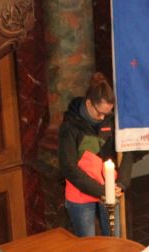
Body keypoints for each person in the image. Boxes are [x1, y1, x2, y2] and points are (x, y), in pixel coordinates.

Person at [58, 72, 130, 237]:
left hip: (111, 188)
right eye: (99, 113)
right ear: (89, 103)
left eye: (107, 113)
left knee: (114, 242)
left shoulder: (111, 120)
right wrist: (101, 191)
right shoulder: (70, 126)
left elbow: (127, 149)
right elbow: (68, 167)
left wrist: (122, 183)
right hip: (81, 194)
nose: (103, 117)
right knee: (89, 244)